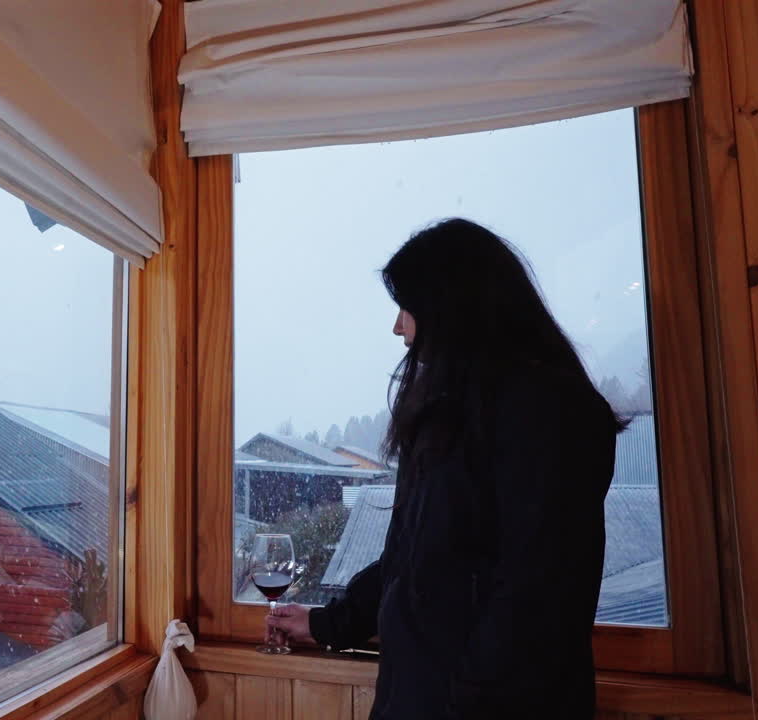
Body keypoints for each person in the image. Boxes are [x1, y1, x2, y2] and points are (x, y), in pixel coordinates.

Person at [267, 218, 623, 718]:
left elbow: (534, 594)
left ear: (452, 307)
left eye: (406, 307)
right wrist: (329, 623)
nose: (399, 329)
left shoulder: (551, 411)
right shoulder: (451, 414)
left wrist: (463, 702)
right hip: (421, 696)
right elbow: (415, 558)